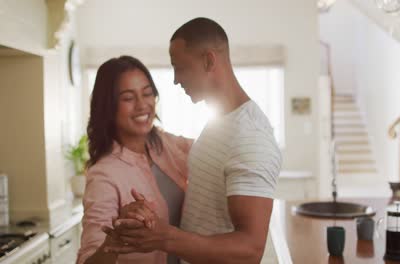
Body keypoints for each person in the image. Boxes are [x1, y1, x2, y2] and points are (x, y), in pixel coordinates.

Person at [104, 17, 282, 263]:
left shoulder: (250, 136)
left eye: (180, 67)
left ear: (208, 60)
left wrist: (164, 237)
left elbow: (250, 249)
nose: (176, 79)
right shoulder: (220, 122)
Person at [77, 55, 192, 264]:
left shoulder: (165, 144)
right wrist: (115, 236)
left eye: (147, 94)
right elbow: (87, 260)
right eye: (128, 98)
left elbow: (212, 153)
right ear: (109, 107)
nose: (142, 105)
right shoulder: (104, 175)